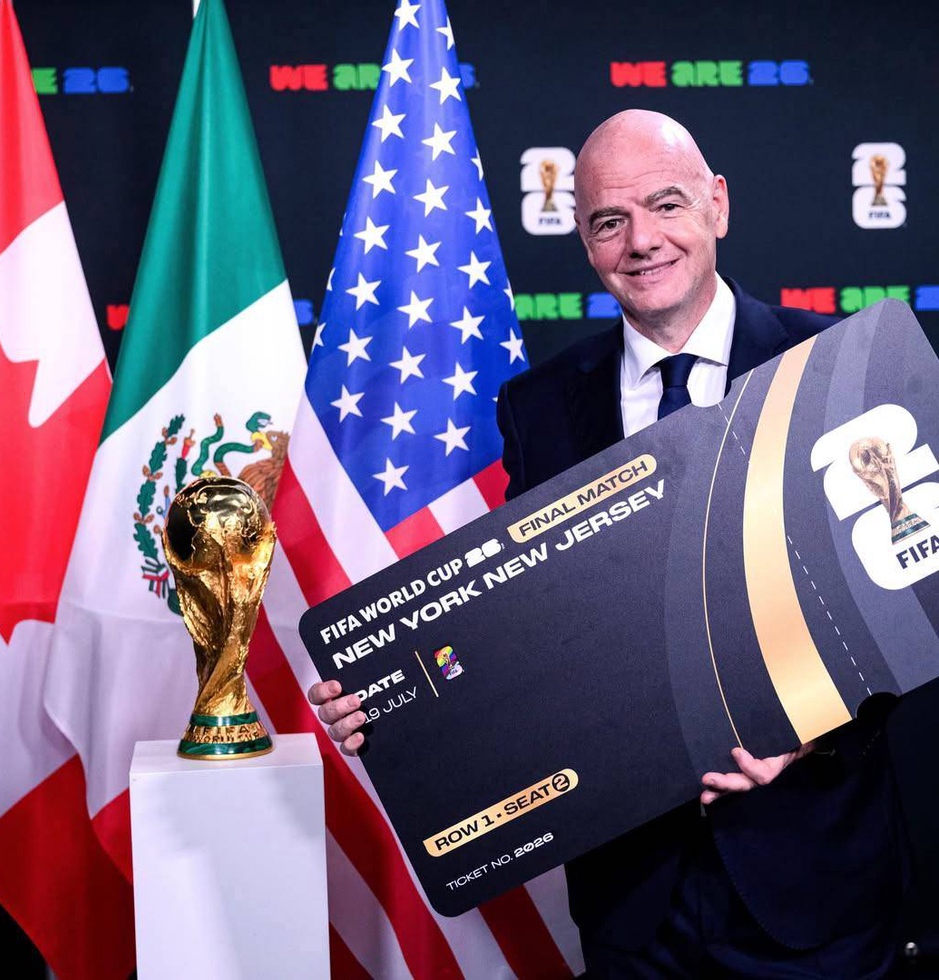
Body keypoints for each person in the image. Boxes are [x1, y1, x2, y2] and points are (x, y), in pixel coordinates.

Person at [309, 110, 908, 978]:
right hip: (633, 905)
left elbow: (905, 599)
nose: (642, 241)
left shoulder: (835, 365)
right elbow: (520, 629)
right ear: (585, 241)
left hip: (813, 884)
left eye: (666, 205)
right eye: (609, 221)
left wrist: (809, 731)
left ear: (717, 205)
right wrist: (390, 705)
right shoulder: (541, 406)